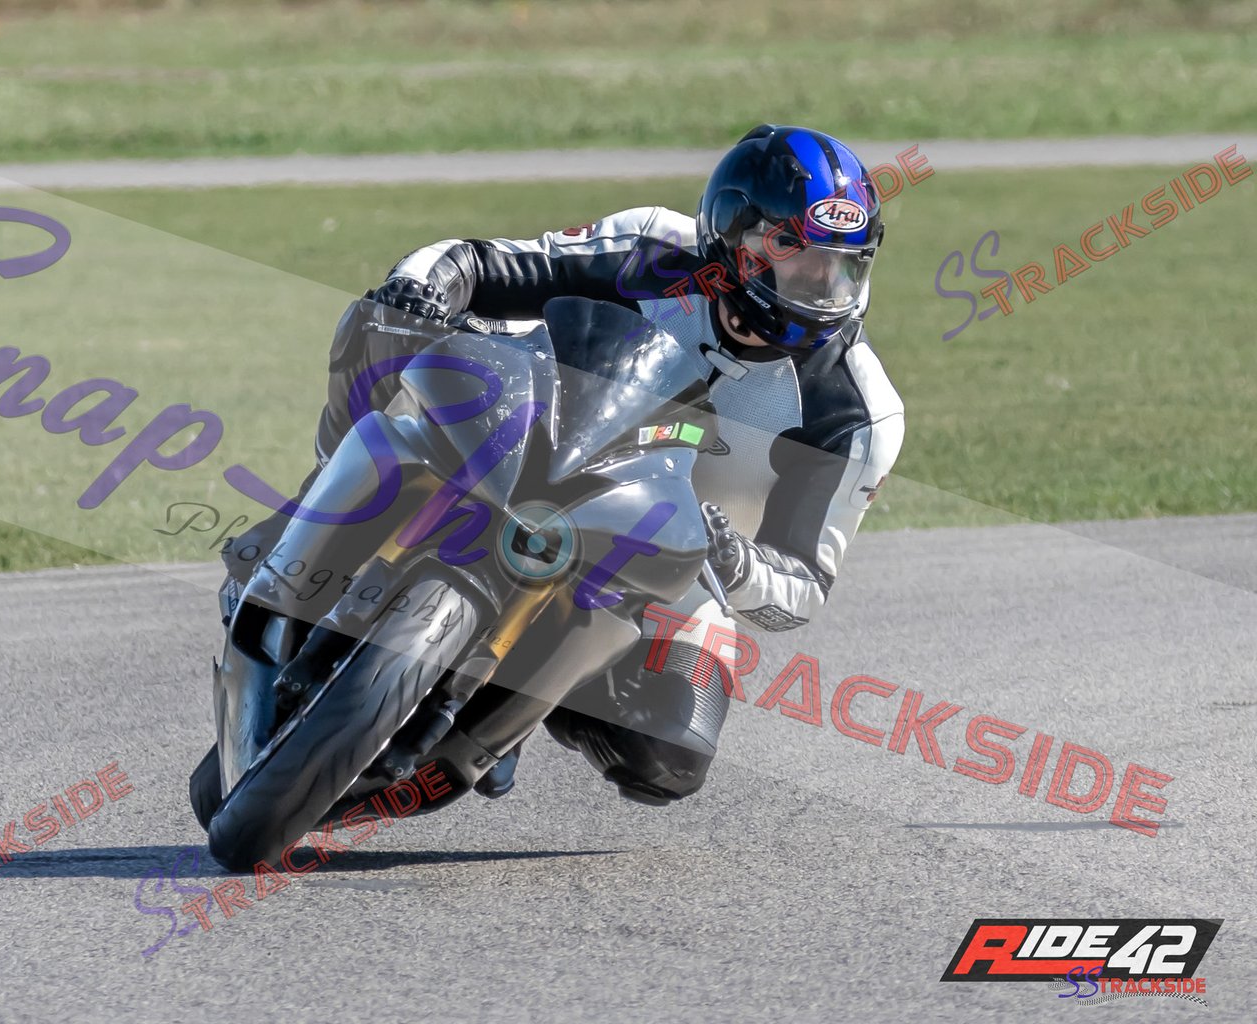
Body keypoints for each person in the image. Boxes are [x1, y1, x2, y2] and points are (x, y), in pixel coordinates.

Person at [225, 124, 905, 806]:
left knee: (672, 751)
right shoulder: (652, 246)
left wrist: (736, 561)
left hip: (662, 556)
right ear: (731, 237)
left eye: (841, 266)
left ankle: (517, 707)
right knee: (381, 319)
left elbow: (804, 585)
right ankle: (309, 513)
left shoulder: (857, 409)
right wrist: (419, 289)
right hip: (522, 436)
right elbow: (479, 263)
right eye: (795, 257)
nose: (820, 283)